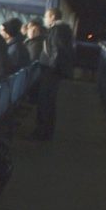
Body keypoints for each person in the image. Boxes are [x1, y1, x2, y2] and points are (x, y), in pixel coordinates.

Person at [34, 7, 76, 140]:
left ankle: (43, 132)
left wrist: (51, 68)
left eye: (46, 16)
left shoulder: (58, 30)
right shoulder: (62, 29)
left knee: (46, 102)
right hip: (52, 71)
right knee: (48, 102)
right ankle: (45, 131)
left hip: (50, 72)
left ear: (52, 17)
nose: (45, 19)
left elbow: (57, 51)